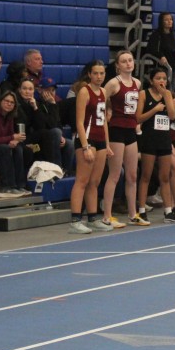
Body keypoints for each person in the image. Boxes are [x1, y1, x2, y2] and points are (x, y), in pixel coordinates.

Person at [103, 49, 147, 228]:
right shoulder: (113, 83)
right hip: (116, 130)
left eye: (130, 60)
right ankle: (107, 216)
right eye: (124, 61)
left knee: (132, 175)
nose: (128, 63)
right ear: (117, 65)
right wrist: (108, 112)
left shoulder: (137, 83)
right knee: (114, 175)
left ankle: (132, 214)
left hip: (130, 131)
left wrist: (137, 125)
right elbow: (100, 101)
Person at [69, 61, 112, 233]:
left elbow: (104, 121)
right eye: (95, 73)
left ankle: (93, 218)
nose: (99, 76)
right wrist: (85, 146)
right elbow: (79, 122)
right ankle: (75, 220)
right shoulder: (84, 92)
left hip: (100, 139)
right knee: (82, 180)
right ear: (89, 74)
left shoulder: (103, 92)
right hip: (87, 139)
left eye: (102, 73)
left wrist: (107, 144)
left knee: (95, 182)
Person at [136, 70, 175, 223]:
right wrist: (154, 110)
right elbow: (138, 118)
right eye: (158, 78)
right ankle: (141, 210)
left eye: (164, 78)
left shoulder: (168, 94)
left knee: (165, 176)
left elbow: (172, 115)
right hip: (149, 138)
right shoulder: (144, 94)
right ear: (151, 81)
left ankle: (168, 211)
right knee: (146, 175)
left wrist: (167, 96)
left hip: (164, 139)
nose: (161, 81)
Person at [145, 12, 175, 83]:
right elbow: (151, 49)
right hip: (161, 67)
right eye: (166, 20)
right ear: (161, 22)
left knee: (171, 88)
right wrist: (161, 56)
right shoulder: (156, 35)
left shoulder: (172, 35)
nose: (169, 21)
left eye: (171, 19)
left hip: (172, 67)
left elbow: (172, 50)